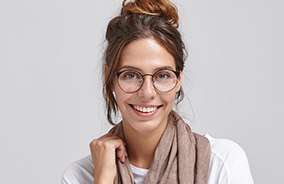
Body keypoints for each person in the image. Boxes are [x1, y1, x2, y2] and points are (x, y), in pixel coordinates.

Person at [61, 0, 254, 183]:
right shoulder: (81, 175)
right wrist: (103, 179)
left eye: (162, 75)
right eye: (130, 75)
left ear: (178, 79)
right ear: (109, 78)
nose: (147, 93)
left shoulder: (221, 162)